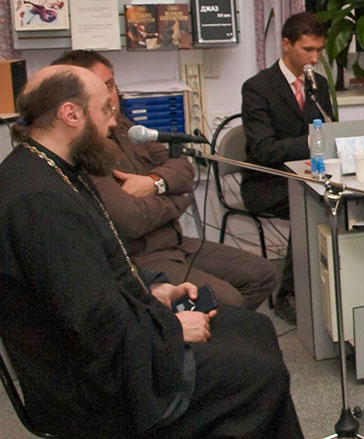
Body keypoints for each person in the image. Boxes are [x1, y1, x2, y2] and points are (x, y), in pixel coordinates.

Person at [0, 66, 326, 439]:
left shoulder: (51, 170)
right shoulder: (38, 200)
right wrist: (171, 328)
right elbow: (90, 322)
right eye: (105, 111)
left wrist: (155, 289)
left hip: (108, 341)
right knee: (256, 377)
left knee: (253, 328)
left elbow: (98, 273)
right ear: (69, 114)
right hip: (90, 379)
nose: (113, 123)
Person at [52, 50, 277, 310]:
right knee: (227, 300)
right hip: (142, 258)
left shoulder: (124, 127)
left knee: (262, 274)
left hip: (177, 243)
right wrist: (176, 198)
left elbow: (182, 166)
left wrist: (154, 183)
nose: (110, 97)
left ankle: (203, 325)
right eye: (100, 89)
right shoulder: (83, 149)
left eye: (111, 86)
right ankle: (186, 329)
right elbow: (131, 220)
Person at [241, 11, 335, 323]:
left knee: (335, 198)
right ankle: (289, 294)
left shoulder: (318, 85)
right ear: (286, 44)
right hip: (267, 183)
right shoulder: (257, 87)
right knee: (309, 203)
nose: (315, 58)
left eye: (319, 50)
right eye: (308, 49)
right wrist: (310, 142)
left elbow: (329, 131)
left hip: (308, 175)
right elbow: (263, 149)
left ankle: (332, 285)